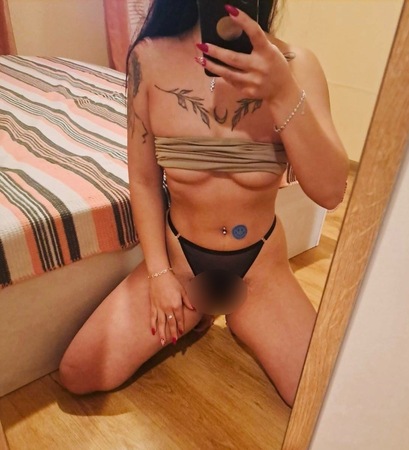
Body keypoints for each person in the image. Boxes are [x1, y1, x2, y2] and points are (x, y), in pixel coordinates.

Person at [59, 0, 348, 407]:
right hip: (180, 265)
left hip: (259, 268)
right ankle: (198, 310)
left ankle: (239, 317)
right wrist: (159, 275)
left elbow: (331, 192)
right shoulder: (149, 59)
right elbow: (144, 180)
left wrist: (283, 93)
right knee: (78, 372)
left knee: (324, 398)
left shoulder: (296, 66)